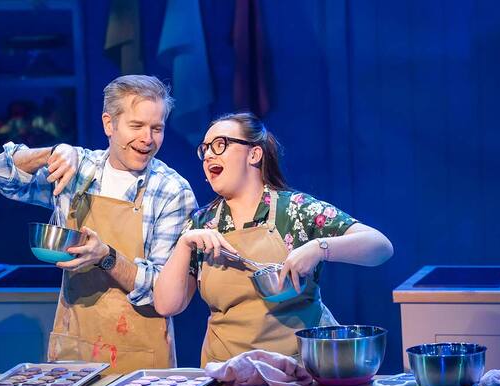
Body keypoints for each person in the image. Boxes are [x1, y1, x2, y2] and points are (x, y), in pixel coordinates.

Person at [0, 75, 197, 373]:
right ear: (109, 124)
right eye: (136, 126)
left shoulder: (172, 191)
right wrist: (51, 152)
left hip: (142, 363)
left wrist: (106, 257)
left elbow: (165, 294)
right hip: (75, 351)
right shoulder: (76, 170)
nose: (148, 139)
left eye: (157, 128)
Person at [153, 112, 393, 366]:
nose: (209, 155)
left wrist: (319, 248)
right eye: (205, 149)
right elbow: (166, 305)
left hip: (298, 372)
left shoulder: (294, 210)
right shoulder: (202, 223)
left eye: (220, 144)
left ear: (254, 154)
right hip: (226, 375)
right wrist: (184, 243)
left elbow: (380, 246)